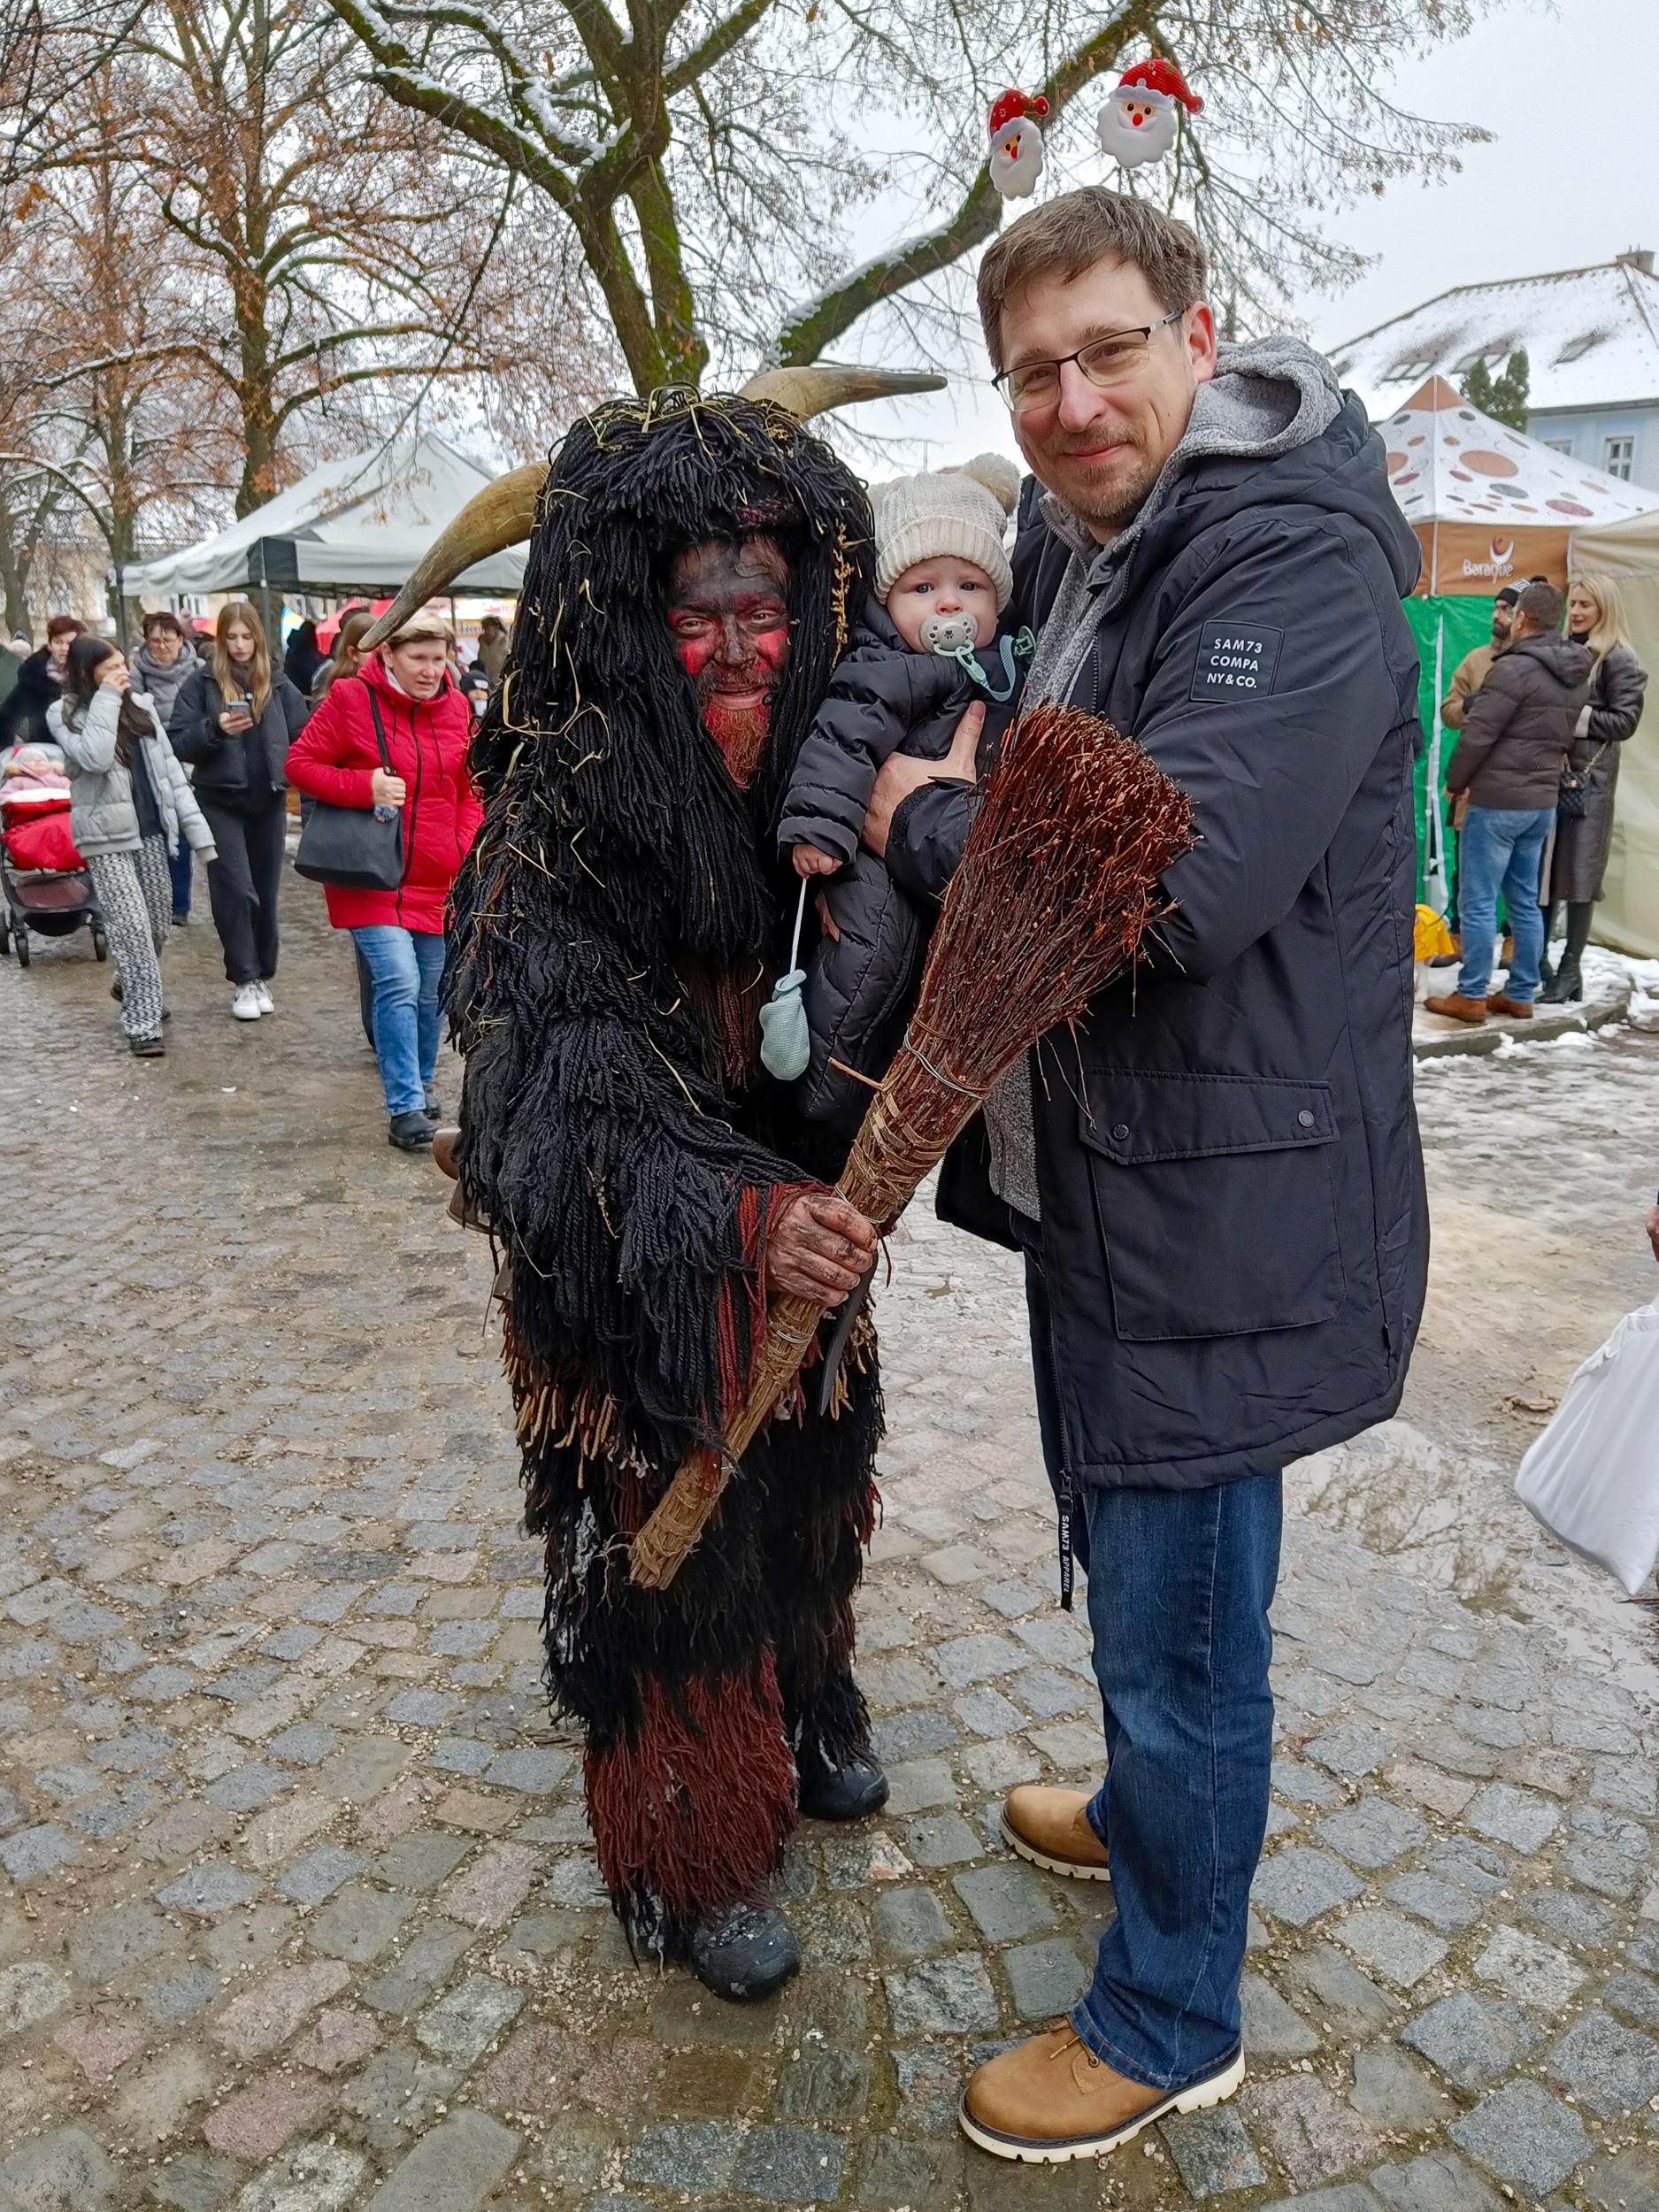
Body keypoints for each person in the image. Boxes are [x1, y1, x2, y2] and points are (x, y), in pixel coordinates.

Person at [884, 188, 1429, 2162]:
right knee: (1123, 1543)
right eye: (1032, 371)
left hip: (1227, 1190)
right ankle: (1138, 1812)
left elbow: (1171, 884)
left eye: (1108, 349)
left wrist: (924, 819)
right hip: (1120, 1162)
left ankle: (1169, 2010)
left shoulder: (1285, 547)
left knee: (1186, 1616)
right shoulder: (1093, 534)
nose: (1072, 401)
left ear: (1200, 335)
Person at [427, 392, 888, 2003]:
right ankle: (694, 1848)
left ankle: (813, 1705)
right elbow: (560, 1096)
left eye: (766, 609)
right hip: (634, 1285)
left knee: (813, 1486)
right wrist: (741, 1220)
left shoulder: (823, 792)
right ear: (633, 630)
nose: (740, 647)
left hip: (810, 1246)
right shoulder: (554, 826)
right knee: (674, 1545)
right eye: (699, 619)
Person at [779, 455, 1027, 1127]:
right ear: (887, 600)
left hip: (945, 853)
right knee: (867, 963)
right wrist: (819, 829)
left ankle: (883, 1097)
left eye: (970, 584)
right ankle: (822, 1094)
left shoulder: (1005, 669)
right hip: (873, 861)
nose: (949, 603)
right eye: (923, 587)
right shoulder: (887, 667)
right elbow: (842, 739)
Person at [285, 608, 483, 1150]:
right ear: (388, 656)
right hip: (369, 874)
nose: (431, 670)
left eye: (439, 658)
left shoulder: (457, 707)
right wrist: (364, 787)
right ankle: (405, 1108)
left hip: (436, 876)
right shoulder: (351, 699)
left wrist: (463, 846)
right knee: (398, 979)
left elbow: (470, 788)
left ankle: (420, 1080)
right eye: (418, 658)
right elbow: (300, 765)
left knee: (432, 987)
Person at [1426, 580, 1592, 1025]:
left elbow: (1478, 735)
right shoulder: (1576, 671)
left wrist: (1455, 782)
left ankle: (1471, 995)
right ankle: (1520, 994)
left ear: (1521, 618)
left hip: (1497, 800)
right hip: (1542, 802)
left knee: (1479, 901)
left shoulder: (1512, 669)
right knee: (1523, 901)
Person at [47, 635, 215, 1056]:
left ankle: (132, 983)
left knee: (156, 926)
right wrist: (107, 698)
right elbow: (96, 757)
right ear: (88, 674)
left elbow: (172, 774)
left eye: (123, 664)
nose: (123, 673)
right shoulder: (64, 713)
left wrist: (201, 837)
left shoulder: (142, 707)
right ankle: (143, 1022)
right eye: (111, 668)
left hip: (152, 831)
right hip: (105, 838)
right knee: (132, 929)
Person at [167, 600, 308, 1021]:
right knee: (235, 889)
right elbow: (178, 741)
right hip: (219, 800)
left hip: (268, 800)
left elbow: (305, 734)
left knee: (265, 892)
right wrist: (215, 729)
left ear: (258, 639)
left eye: (247, 636)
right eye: (232, 637)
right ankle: (244, 979)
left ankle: (262, 974)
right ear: (221, 639)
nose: (240, 645)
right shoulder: (201, 683)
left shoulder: (278, 683)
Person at [1540, 572, 1648, 1003]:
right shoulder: (1567, 650)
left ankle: (1570, 970)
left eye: (1586, 604)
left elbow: (1625, 721)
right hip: (1554, 772)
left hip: (1590, 780)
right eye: (1574, 604)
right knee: (1547, 874)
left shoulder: (1619, 658)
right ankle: (1543, 966)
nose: (1577, 611)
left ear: (1605, 608)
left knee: (1580, 876)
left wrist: (1572, 717)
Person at [131, 611, 201, 923]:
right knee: (166, 829)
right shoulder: (137, 675)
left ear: (181, 640)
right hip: (155, 759)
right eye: (154, 641)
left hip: (194, 756)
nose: (161, 647)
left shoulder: (199, 670)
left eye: (168, 640)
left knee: (188, 828)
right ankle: (167, 901)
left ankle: (180, 902)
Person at [1440, 585, 1518, 731]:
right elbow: (1448, 712)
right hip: (1483, 743)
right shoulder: (1476, 659)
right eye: (1496, 608)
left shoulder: (1538, 659)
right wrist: (1466, 706)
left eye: (1505, 609)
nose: (1496, 615)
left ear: (1521, 615)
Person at [0, 616, 85, 749]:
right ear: (50, 645)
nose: (64, 648)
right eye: (58, 642)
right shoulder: (33, 675)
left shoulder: (88, 675)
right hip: (45, 749)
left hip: (82, 747)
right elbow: (9, 716)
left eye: (70, 643)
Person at [312, 608, 374, 702]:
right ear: (353, 653)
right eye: (371, 647)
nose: (379, 654)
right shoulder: (335, 695)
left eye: (383, 648)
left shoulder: (390, 686)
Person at [283, 618, 326, 700]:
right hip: (304, 695)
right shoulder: (307, 653)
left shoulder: (292, 649)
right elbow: (312, 676)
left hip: (290, 692)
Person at [470, 612, 509, 685]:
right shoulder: (482, 643)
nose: (486, 630)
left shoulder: (506, 642)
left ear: (497, 627)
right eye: (484, 626)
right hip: (485, 683)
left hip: (501, 683)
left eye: (488, 626)